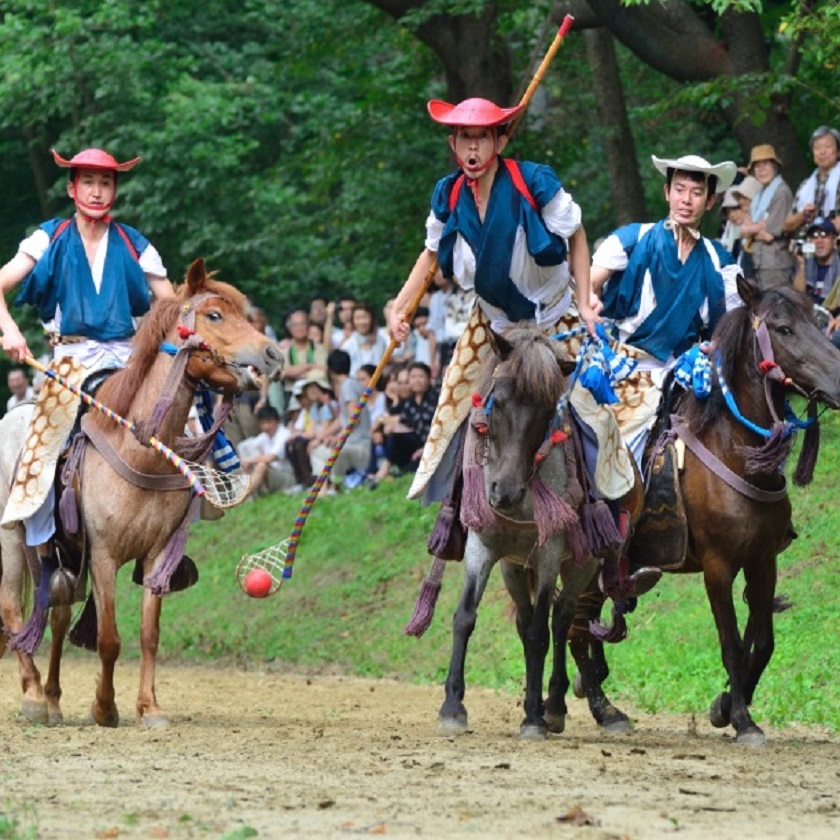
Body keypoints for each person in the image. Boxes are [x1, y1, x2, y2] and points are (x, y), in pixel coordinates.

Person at [387, 96, 597, 509]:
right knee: (453, 401)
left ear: (499, 142)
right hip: (494, 324)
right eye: (465, 138)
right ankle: (457, 512)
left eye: (482, 138)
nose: (472, 149)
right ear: (453, 145)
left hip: (555, 318)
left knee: (596, 409)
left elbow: (576, 233)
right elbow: (431, 254)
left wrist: (587, 302)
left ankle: (606, 505)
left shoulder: (534, 180)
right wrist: (399, 306)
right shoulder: (447, 194)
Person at [0, 147, 175, 553]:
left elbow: (171, 305)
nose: (97, 192)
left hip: (129, 360)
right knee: (40, 449)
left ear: (114, 190)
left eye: (106, 183)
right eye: (89, 182)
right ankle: (46, 548)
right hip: (69, 361)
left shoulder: (136, 244)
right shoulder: (49, 237)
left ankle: (174, 537)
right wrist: (10, 331)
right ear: (71, 187)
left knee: (182, 422)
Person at [583, 154, 740, 598]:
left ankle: (764, 525)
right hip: (627, 367)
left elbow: (734, 326)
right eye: (680, 190)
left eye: (697, 192)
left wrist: (713, 349)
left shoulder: (721, 260)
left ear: (710, 201)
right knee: (617, 442)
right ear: (667, 192)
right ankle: (614, 551)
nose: (687, 200)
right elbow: (589, 286)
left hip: (691, 369)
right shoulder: (632, 240)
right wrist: (590, 302)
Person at [309, 349, 371, 492]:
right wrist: (323, 436)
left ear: (330, 370)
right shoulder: (349, 384)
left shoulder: (348, 385)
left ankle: (331, 488)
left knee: (324, 452)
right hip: (352, 443)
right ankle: (326, 488)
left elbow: (353, 420)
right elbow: (342, 419)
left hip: (358, 446)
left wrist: (337, 438)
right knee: (317, 449)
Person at [737, 145, 794, 289]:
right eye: (757, 166)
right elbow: (743, 228)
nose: (761, 170)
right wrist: (757, 228)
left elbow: (770, 233)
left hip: (775, 263)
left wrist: (751, 230)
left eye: (766, 164)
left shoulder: (781, 192)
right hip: (758, 260)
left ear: (774, 167)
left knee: (774, 307)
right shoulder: (759, 193)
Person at [381, 362, 438, 474]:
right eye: (413, 377)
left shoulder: (436, 399)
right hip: (416, 444)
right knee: (394, 435)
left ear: (428, 379)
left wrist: (426, 448)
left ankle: (386, 471)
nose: (416, 380)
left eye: (421, 376)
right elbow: (405, 424)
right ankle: (389, 469)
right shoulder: (408, 404)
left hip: (432, 445)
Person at [783, 125, 840, 237]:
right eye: (817, 148)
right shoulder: (806, 185)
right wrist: (803, 215)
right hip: (807, 248)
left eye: (828, 146)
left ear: (838, 152)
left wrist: (821, 229)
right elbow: (786, 225)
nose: (822, 152)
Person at [792, 217, 840, 345]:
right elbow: (798, 295)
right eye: (814, 236)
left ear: (834, 239)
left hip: (834, 319)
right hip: (810, 318)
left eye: (824, 235)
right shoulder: (807, 263)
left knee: (831, 336)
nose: (819, 241)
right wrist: (801, 265)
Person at [237, 405, 296, 497]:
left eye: (269, 423)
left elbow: (270, 458)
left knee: (261, 465)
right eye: (262, 424)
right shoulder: (264, 436)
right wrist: (247, 461)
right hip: (272, 474)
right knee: (250, 461)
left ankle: (244, 495)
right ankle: (250, 494)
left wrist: (250, 460)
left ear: (277, 421)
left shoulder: (284, 434)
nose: (266, 427)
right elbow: (243, 446)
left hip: (287, 477)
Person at [277, 308, 327, 407]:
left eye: (302, 324)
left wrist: (296, 372)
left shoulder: (319, 348)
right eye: (295, 325)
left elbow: (324, 370)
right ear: (289, 328)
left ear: (308, 326)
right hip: (292, 396)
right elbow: (284, 372)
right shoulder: (284, 352)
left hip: (316, 396)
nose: (299, 328)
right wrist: (310, 366)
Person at [341, 302, 388, 374]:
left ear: (371, 319)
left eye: (365, 317)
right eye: (358, 318)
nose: (362, 322)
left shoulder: (381, 341)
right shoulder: (348, 345)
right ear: (353, 321)